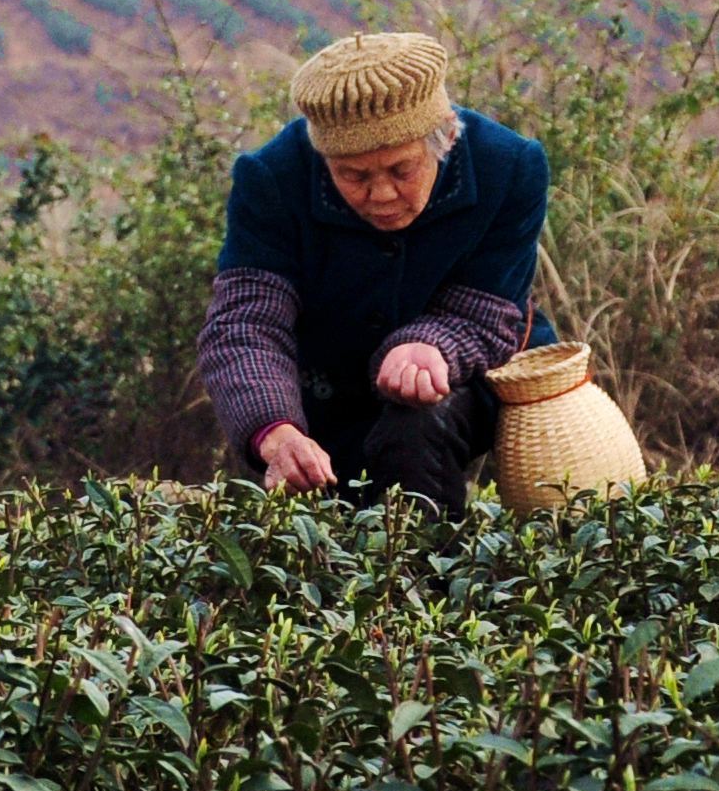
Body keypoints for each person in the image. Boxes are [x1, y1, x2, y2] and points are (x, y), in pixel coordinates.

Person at [197, 30, 547, 514]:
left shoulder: (507, 167)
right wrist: (274, 430)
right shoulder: (272, 178)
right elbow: (246, 323)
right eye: (354, 176)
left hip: (463, 381)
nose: (380, 195)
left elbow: (490, 306)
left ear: (443, 139)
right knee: (307, 493)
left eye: (402, 170)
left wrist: (430, 345)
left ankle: (429, 579)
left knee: (416, 428)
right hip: (325, 388)